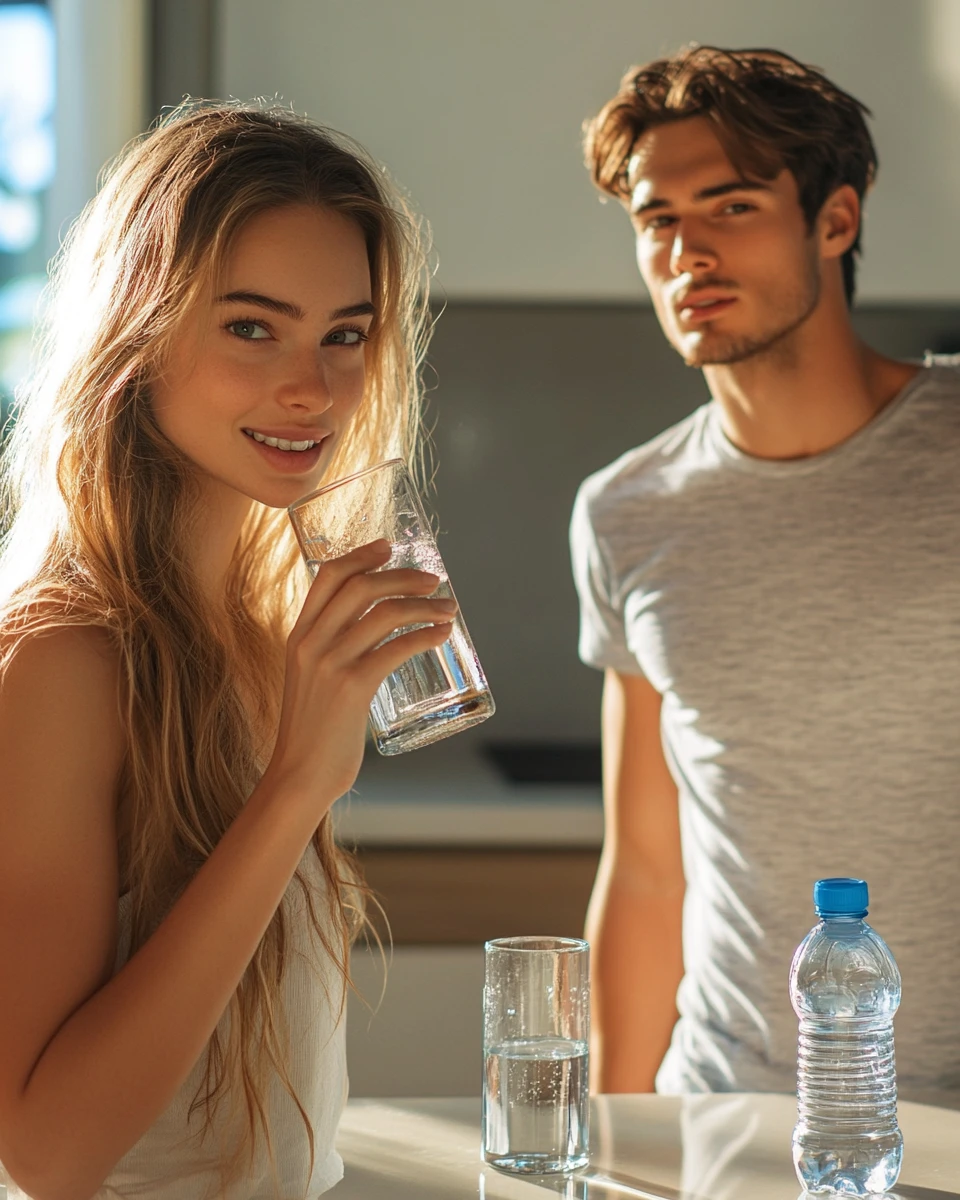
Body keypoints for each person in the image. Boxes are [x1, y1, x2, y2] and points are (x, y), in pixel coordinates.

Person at [0, 103, 456, 1200]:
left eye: (345, 335)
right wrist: (300, 783)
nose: (314, 388)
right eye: (252, 327)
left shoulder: (256, 637)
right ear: (139, 331)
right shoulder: (64, 661)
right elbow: (46, 1154)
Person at [570, 45, 960, 1104]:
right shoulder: (626, 513)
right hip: (730, 1107)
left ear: (835, 220)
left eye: (731, 207)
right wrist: (615, 1135)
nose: (687, 250)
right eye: (658, 220)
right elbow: (646, 872)